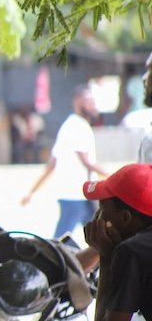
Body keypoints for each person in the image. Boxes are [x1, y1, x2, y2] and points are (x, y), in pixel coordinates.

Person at [83, 165, 152, 321]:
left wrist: (105, 256)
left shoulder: (131, 251)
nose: (96, 220)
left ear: (124, 218)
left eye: (102, 212)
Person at [22, 86, 108, 238]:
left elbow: (52, 165)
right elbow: (86, 162)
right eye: (89, 102)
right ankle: (51, 260)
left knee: (98, 239)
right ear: (77, 102)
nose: (93, 106)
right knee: (62, 239)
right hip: (74, 195)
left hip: (82, 195)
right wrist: (113, 176)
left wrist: (31, 192)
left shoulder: (71, 125)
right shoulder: (76, 126)